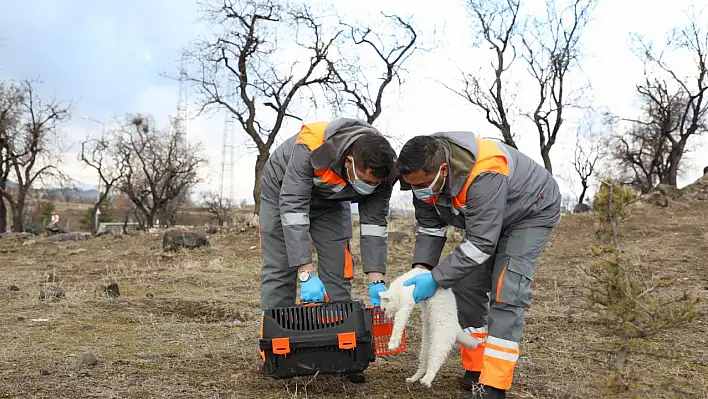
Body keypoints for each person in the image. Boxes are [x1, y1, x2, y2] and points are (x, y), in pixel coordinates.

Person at [395, 132, 561, 398]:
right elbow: (430, 227)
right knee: (465, 286)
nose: (418, 191)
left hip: (529, 212)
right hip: (486, 219)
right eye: (412, 185)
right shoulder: (421, 180)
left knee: (508, 290)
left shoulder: (486, 171)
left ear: (444, 170)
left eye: (423, 184)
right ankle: (476, 367)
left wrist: (437, 279)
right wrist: (423, 268)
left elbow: (482, 244)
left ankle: (494, 383)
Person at [258, 118, 397, 382]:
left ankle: (343, 349)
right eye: (365, 181)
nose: (368, 188)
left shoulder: (386, 169)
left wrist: (376, 278)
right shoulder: (310, 147)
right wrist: (306, 272)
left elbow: (374, 225)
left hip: (332, 201)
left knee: (337, 267)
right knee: (279, 268)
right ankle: (276, 352)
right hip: (282, 195)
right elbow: (294, 209)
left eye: (374, 184)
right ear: (349, 162)